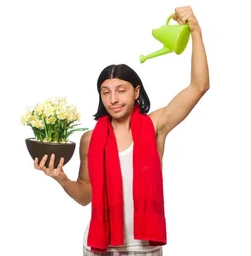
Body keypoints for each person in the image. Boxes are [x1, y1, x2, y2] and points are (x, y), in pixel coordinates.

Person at [33, 6, 209, 255]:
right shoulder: (90, 139)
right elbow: (85, 196)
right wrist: (61, 178)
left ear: (136, 92)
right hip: (99, 247)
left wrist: (195, 30)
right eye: (106, 92)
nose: (113, 99)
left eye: (121, 90)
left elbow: (199, 86)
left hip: (145, 247)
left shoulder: (155, 126)